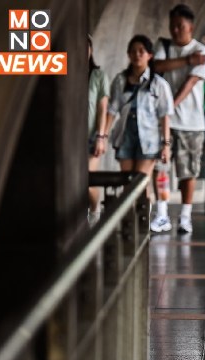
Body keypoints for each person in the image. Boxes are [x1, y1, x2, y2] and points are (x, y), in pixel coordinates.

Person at [151, 4, 205, 234]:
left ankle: (185, 216)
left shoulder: (202, 51)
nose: (176, 30)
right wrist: (187, 61)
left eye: (181, 26)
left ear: (191, 27)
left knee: (188, 171)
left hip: (191, 122)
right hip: (165, 122)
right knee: (161, 167)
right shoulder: (163, 46)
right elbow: (156, 66)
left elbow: (190, 83)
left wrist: (169, 106)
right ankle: (162, 213)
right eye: (173, 26)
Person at [106, 35, 173, 197]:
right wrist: (103, 135)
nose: (137, 55)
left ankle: (144, 221)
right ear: (128, 54)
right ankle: (130, 220)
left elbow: (165, 115)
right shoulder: (120, 81)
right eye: (133, 51)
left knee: (141, 184)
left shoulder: (158, 84)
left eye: (141, 51)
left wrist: (166, 144)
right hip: (125, 135)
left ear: (150, 55)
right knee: (127, 184)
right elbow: (113, 109)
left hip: (149, 139)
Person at [87, 35, 110, 225]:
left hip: (91, 135)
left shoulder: (98, 76)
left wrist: (101, 136)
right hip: (68, 137)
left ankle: (94, 211)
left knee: (87, 179)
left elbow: (103, 108)